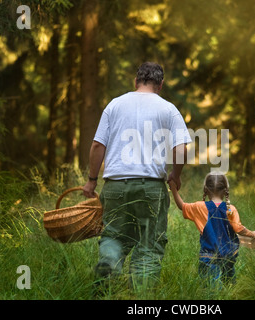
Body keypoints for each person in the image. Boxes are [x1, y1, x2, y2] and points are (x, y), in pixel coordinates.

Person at [83, 62, 192, 291]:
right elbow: (181, 149)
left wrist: (92, 180)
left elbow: (96, 145)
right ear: (160, 85)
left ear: (136, 81)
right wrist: (175, 174)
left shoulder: (114, 105)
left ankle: (110, 263)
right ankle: (140, 300)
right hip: (151, 188)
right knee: (149, 245)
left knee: (113, 235)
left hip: (114, 186)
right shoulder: (168, 109)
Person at [168, 172, 255, 286]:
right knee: (229, 283)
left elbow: (182, 206)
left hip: (209, 256)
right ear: (226, 190)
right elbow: (238, 228)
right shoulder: (230, 209)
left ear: (206, 190)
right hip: (229, 254)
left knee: (211, 287)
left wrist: (173, 189)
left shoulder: (200, 207)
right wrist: (252, 234)